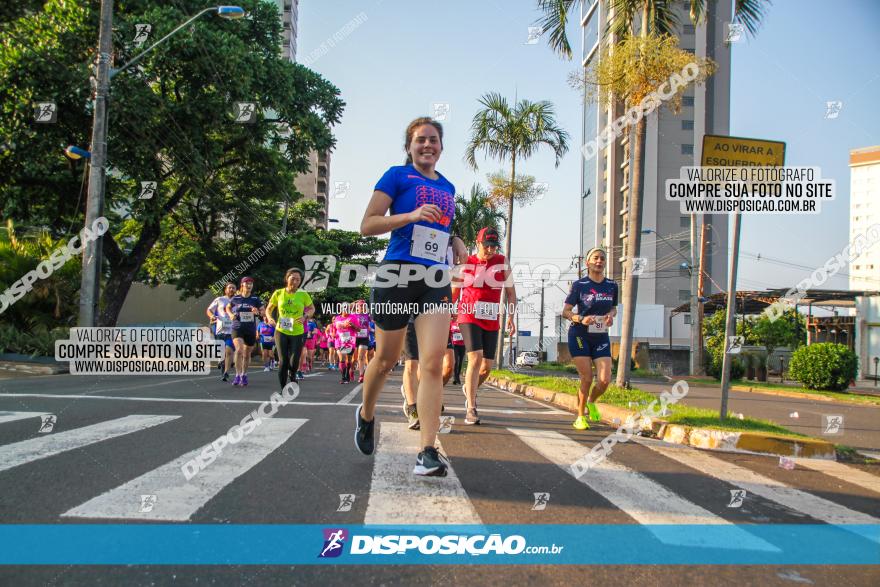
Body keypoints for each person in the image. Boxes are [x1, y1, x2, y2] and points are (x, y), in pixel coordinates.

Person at [356, 116, 456, 477]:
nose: (427, 145)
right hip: (397, 274)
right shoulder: (396, 176)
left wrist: (455, 240)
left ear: (441, 147)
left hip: (433, 279)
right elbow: (367, 224)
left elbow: (439, 229)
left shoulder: (449, 187)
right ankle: (366, 414)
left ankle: (427, 451)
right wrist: (409, 215)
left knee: (431, 363)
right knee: (386, 359)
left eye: (433, 140)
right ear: (410, 147)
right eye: (420, 140)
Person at [453, 227, 516, 425]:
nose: (490, 250)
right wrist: (447, 310)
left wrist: (511, 317)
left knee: (487, 367)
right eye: (486, 245)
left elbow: (512, 293)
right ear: (478, 243)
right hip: (468, 314)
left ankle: (469, 388)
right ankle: (471, 407)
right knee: (475, 357)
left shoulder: (502, 262)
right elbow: (454, 291)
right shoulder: (467, 262)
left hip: (490, 318)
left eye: (493, 246)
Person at [562, 247, 618, 430]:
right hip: (579, 335)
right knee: (587, 378)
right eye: (596, 258)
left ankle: (591, 401)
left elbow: (614, 308)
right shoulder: (580, 285)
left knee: (604, 380)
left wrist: (611, 315)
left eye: (602, 258)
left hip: (600, 336)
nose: (599, 261)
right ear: (588, 263)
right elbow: (566, 311)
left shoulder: (612, 285)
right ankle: (580, 416)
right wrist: (580, 318)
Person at [266, 268, 315, 389]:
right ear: (287, 278)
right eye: (293, 278)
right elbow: (269, 309)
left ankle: (292, 374)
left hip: (298, 331)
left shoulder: (303, 294)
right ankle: (283, 388)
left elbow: (312, 308)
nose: (295, 281)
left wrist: (305, 317)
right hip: (281, 330)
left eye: (298, 279)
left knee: (294, 361)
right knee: (283, 361)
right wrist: (269, 317)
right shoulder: (278, 293)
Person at [224, 277, 265, 387]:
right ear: (242, 285)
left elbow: (263, 312)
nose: (249, 285)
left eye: (251, 283)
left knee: (247, 354)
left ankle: (244, 374)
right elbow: (227, 308)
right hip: (237, 327)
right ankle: (237, 375)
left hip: (250, 329)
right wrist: (231, 314)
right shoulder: (236, 298)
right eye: (247, 283)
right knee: (239, 350)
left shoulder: (255, 298)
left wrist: (258, 312)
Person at [206, 282, 236, 382]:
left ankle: (226, 372)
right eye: (229, 288)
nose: (231, 289)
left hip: (232, 330)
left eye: (233, 288)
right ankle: (223, 367)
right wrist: (212, 316)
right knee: (222, 353)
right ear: (225, 290)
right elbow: (209, 310)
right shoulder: (219, 299)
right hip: (220, 330)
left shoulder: (238, 300)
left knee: (229, 351)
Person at [334, 304, 358, 383]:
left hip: (350, 341)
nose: (346, 310)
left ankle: (348, 372)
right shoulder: (337, 318)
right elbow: (334, 328)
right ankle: (343, 377)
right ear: (341, 309)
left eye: (347, 308)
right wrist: (333, 334)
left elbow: (359, 329)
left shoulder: (353, 317)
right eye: (344, 308)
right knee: (342, 357)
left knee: (349, 359)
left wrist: (353, 325)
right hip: (339, 340)